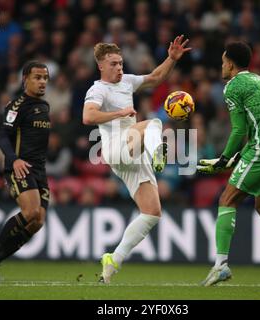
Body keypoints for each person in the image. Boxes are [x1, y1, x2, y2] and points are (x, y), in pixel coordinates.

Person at [83, 35, 190, 283]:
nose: (119, 67)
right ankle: (158, 154)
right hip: (113, 147)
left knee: (152, 213)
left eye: (120, 63)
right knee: (153, 123)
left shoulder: (128, 82)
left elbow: (155, 77)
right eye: (113, 64)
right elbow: (88, 117)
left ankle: (113, 261)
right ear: (101, 66)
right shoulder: (97, 89)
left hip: (133, 152)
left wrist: (171, 59)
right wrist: (119, 112)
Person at [197, 42, 260, 288]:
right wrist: (235, 158)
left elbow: (240, 130)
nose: (222, 67)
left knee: (227, 199)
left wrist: (224, 159)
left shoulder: (233, 86)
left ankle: (221, 265)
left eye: (223, 62)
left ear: (230, 63)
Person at [0, 61, 51, 281]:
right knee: (30, 212)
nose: (42, 82)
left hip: (39, 170)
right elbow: (2, 136)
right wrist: (14, 160)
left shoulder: (45, 106)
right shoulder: (16, 106)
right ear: (25, 79)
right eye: (37, 77)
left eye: (45, 78)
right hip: (20, 167)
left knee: (38, 221)